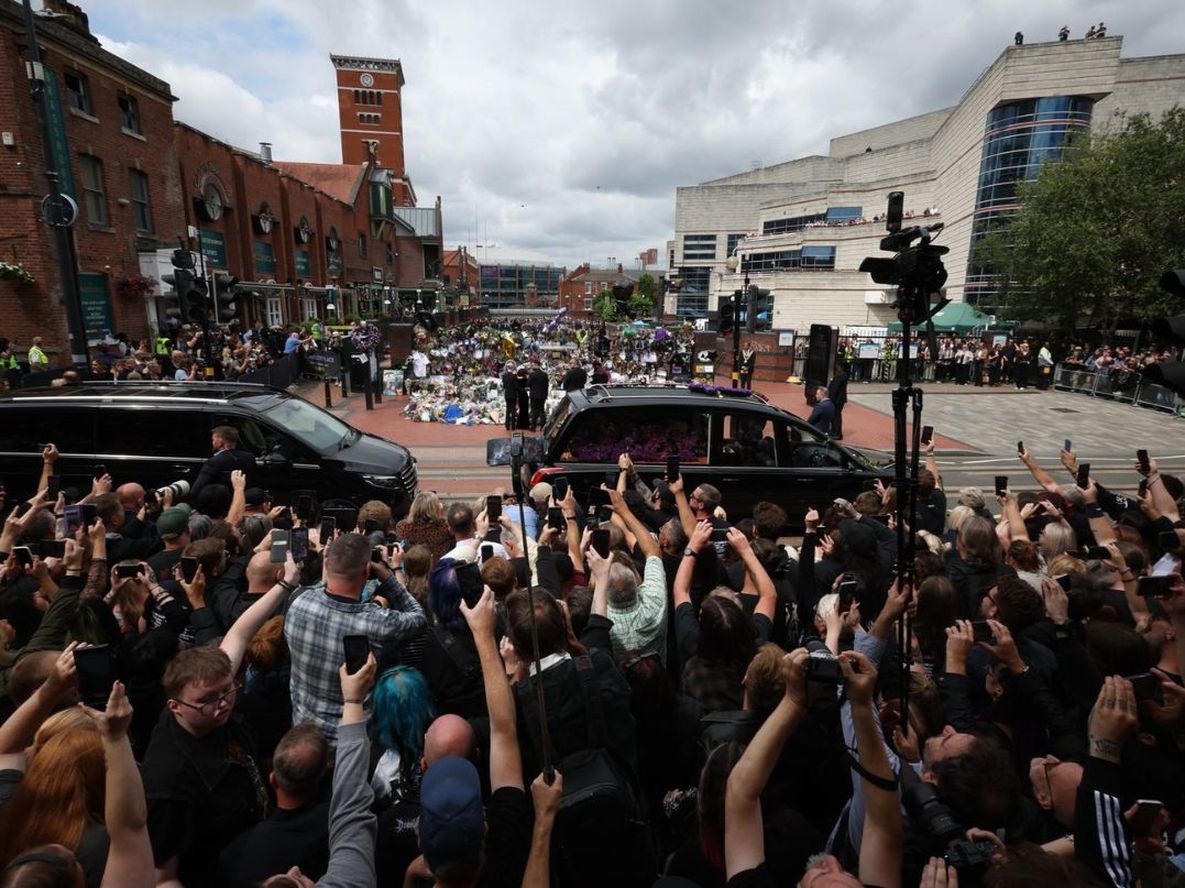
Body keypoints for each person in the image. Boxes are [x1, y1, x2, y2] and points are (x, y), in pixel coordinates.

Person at [284, 534, 426, 746]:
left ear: (326, 563)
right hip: (351, 748)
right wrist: (387, 576)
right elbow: (419, 618)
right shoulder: (377, 622)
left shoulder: (298, 601)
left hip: (303, 742)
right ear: (367, 571)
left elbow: (320, 588)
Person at [189, 425, 257, 500]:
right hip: (244, 501)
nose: (213, 442)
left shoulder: (213, 462)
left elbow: (195, 491)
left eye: (213, 440)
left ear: (220, 441)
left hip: (221, 506)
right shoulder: (250, 457)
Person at [827, 363, 849, 440]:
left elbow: (835, 389)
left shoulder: (840, 376)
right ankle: (834, 431)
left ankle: (837, 432)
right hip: (838, 399)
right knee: (835, 416)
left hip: (837, 400)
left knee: (836, 416)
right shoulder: (842, 375)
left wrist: (831, 400)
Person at [527, 358, 549, 431]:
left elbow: (528, 384)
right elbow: (547, 385)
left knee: (534, 411)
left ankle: (533, 427)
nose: (532, 365)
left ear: (536, 365)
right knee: (541, 410)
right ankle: (543, 426)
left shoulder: (532, 375)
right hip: (542, 395)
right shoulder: (544, 375)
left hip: (534, 395)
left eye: (533, 364)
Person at [500, 361, 519, 431]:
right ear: (512, 367)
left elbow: (504, 386)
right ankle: (513, 426)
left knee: (508, 410)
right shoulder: (514, 376)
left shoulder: (504, 376)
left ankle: (507, 425)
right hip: (513, 395)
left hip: (507, 394)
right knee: (513, 410)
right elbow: (516, 386)